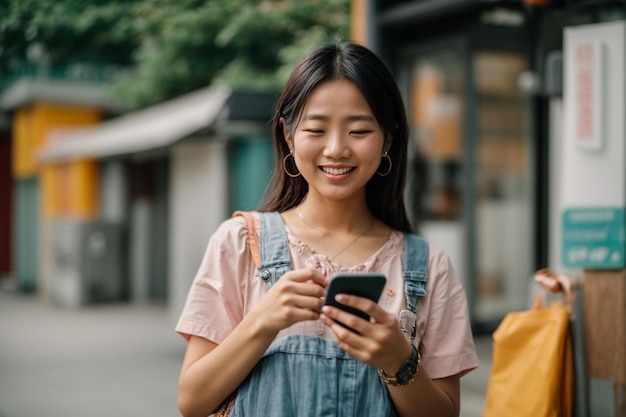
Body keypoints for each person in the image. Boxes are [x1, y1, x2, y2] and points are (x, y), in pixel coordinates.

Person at [175, 42, 479, 417]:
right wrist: (261, 322)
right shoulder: (239, 243)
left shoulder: (430, 267)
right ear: (288, 136)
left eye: (359, 130)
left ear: (388, 138)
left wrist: (399, 360)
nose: (335, 149)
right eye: (316, 129)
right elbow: (192, 402)